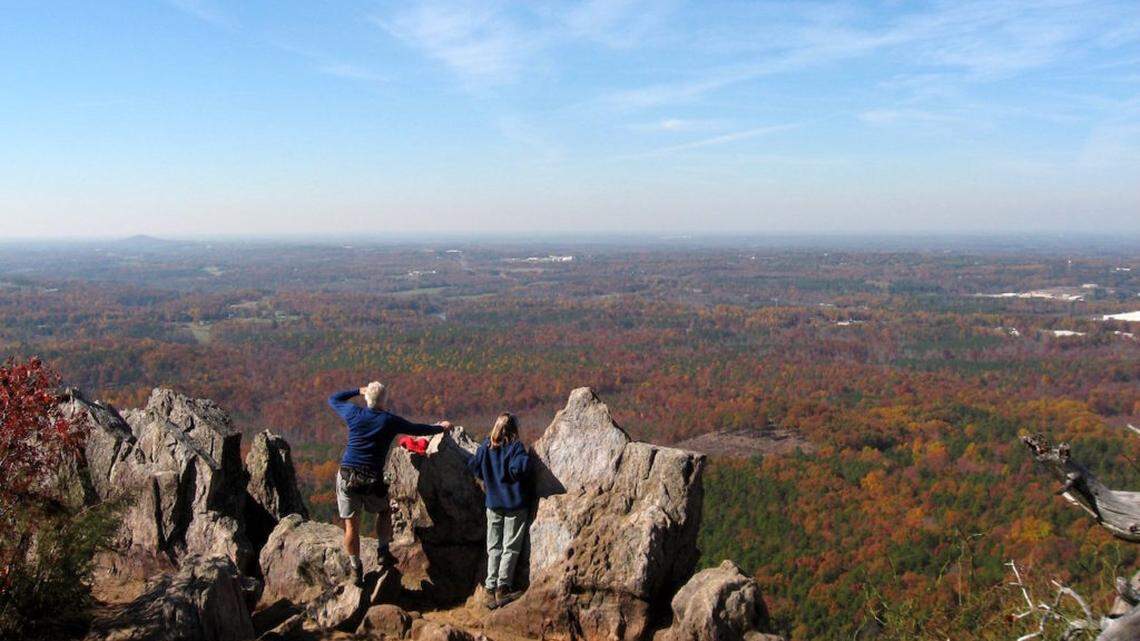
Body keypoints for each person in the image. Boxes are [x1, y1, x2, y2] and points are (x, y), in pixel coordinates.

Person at [328, 381, 452, 585]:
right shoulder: (388, 420)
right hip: (371, 479)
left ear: (367, 398)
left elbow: (333, 398)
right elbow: (417, 429)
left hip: (347, 475)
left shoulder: (353, 413)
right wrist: (440, 427)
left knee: (351, 526)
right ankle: (383, 551)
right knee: (384, 511)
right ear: (384, 401)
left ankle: (355, 568)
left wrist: (358, 391)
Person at [467, 412, 530, 609]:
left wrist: (488, 478)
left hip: (493, 503)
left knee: (493, 546)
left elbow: (474, 467)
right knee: (510, 547)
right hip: (514, 504)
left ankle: (489, 586)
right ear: (514, 429)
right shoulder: (516, 447)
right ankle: (503, 588)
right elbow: (519, 468)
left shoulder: (486, 447)